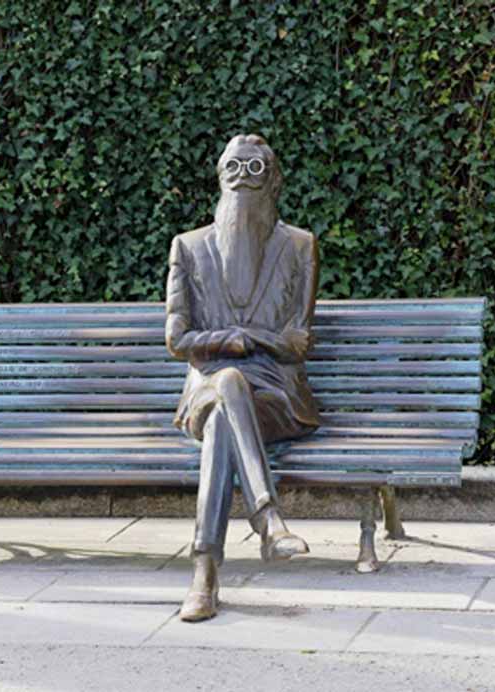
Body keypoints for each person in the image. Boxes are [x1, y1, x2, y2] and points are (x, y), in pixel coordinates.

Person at [165, 134, 321, 622]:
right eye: (234, 168)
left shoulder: (299, 246)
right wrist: (226, 343)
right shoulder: (188, 248)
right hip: (206, 389)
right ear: (220, 178)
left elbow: (298, 342)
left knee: (223, 413)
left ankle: (204, 574)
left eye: (255, 170)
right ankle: (267, 517)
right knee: (227, 384)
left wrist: (243, 335)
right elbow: (176, 339)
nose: (243, 180)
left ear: (272, 181)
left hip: (275, 396)